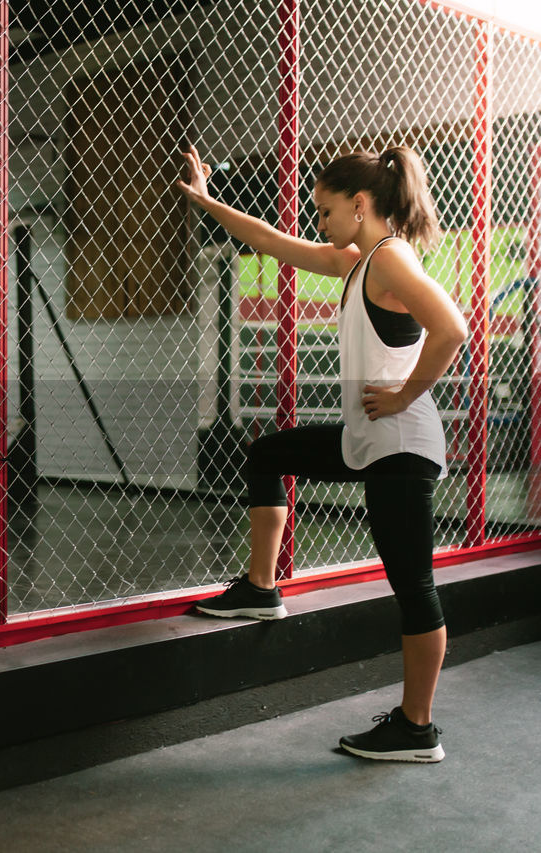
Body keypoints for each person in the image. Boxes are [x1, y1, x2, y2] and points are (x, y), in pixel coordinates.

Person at [173, 144, 468, 763]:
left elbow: (452, 329)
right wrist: (206, 201)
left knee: (412, 584)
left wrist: (407, 393)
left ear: (360, 206)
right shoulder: (361, 260)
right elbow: (273, 241)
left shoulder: (389, 262)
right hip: (370, 439)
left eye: (327, 210)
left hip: (400, 446)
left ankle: (417, 728)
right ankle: (261, 587)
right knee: (268, 454)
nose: (320, 222)